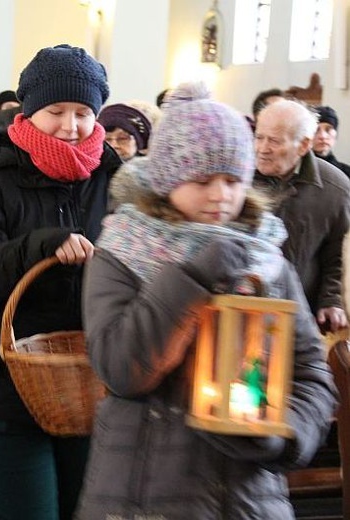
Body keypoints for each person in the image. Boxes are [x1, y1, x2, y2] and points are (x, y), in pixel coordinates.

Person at [75, 82, 337, 519]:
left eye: (233, 180)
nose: (220, 196)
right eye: (202, 180)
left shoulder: (264, 256)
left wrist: (285, 431)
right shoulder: (124, 249)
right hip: (145, 491)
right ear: (167, 180)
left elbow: (310, 371)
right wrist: (195, 275)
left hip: (247, 495)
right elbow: (123, 369)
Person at [0, 43, 120, 520]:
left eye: (84, 112)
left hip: (87, 382)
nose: (71, 125)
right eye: (56, 111)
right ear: (29, 112)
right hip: (6, 384)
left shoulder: (114, 176)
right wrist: (37, 246)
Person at [253, 99, 350, 333]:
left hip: (299, 317)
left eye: (274, 141)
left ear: (303, 145)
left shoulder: (335, 189)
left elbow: (337, 254)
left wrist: (331, 300)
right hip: (239, 306)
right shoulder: (238, 177)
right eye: (258, 137)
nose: (262, 148)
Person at [312, 105, 350, 178]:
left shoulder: (346, 173)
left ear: (336, 134)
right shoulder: (296, 170)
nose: (322, 136)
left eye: (328, 129)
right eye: (316, 130)